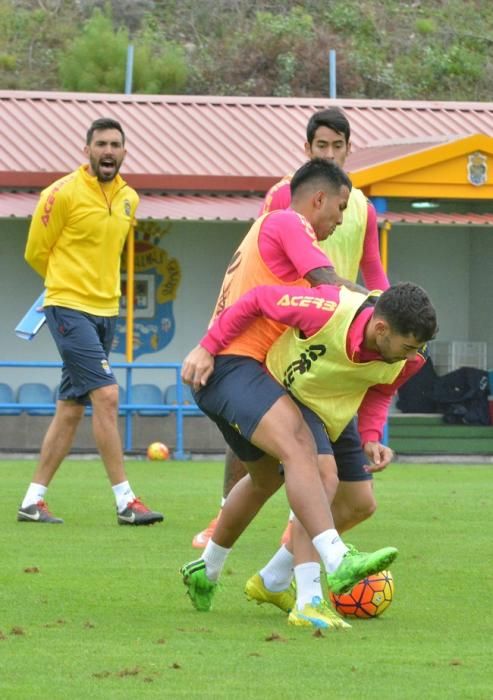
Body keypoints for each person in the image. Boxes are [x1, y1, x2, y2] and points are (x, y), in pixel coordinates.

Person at [179, 159, 400, 629]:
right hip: (236, 366)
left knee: (265, 478)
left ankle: (208, 569)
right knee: (304, 452)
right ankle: (328, 570)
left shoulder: (272, 231)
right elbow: (326, 285)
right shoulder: (287, 222)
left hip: (240, 370)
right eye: (339, 209)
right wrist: (383, 308)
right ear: (318, 199)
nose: (340, 221)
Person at [192, 106, 389, 549]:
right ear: (308, 150)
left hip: (337, 337)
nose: (332, 152)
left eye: (339, 146)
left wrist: (385, 312)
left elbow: (374, 268)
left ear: (349, 149)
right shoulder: (284, 202)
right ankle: (301, 554)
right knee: (291, 450)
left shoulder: (362, 207)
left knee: (344, 488)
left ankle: (286, 552)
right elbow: (263, 281)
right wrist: (210, 342)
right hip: (282, 339)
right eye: (323, 146)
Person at [189, 281, 437, 625]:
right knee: (320, 475)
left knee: (359, 503)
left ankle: (269, 578)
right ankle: (311, 596)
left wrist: (370, 436)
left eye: (418, 348)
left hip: (335, 411)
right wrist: (207, 347)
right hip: (288, 394)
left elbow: (381, 390)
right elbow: (259, 299)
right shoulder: (327, 308)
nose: (412, 356)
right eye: (408, 346)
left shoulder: (412, 359)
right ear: (381, 328)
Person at [17, 117, 163, 526]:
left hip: (106, 312)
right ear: (86, 150)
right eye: (101, 144)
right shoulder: (59, 194)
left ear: (124, 151)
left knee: (69, 410)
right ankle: (125, 502)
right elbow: (35, 252)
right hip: (67, 307)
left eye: (115, 144)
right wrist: (65, 286)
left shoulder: (130, 198)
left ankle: (32, 501)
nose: (108, 151)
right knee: (107, 396)